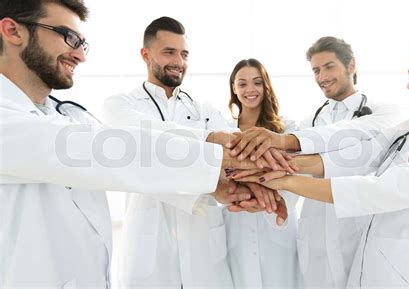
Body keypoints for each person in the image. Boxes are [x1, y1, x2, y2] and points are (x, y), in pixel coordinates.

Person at [0, 2, 256, 288]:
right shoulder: (9, 118)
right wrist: (211, 144)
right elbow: (109, 149)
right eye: (69, 37)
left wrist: (218, 185)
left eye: (83, 43)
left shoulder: (72, 114)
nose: (80, 55)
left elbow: (121, 151)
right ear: (13, 31)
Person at [237, 32, 409, 288]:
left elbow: (381, 190)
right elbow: (357, 156)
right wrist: (273, 163)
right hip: (366, 266)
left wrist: (284, 178)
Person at [102, 18, 282, 289]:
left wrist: (256, 188)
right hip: (150, 243)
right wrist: (209, 147)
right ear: (145, 54)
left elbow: (234, 154)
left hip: (204, 245)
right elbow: (144, 142)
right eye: (169, 52)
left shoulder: (204, 110)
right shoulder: (119, 105)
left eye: (184, 54)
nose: (179, 61)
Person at [229, 36, 402, 288]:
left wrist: (286, 142)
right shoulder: (310, 120)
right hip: (316, 239)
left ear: (351, 65)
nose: (322, 77)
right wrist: (268, 201)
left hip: (358, 230)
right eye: (316, 70)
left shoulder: (383, 111)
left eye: (329, 67)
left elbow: (349, 137)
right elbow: (290, 170)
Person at [224, 58, 299, 288]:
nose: (250, 90)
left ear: (266, 86)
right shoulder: (223, 130)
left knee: (281, 279)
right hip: (236, 223)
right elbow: (218, 177)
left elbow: (296, 173)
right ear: (234, 89)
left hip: (275, 222)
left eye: (257, 82)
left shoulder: (288, 129)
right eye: (242, 83)